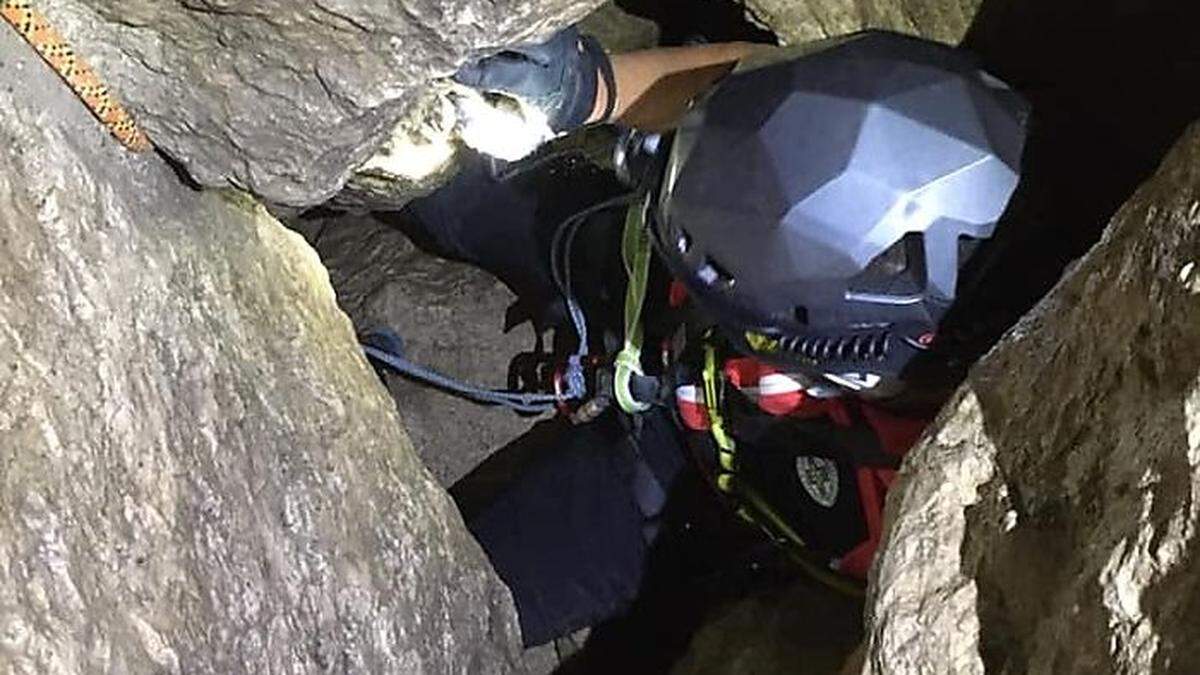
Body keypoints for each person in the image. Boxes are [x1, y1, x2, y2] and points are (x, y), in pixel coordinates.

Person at [372, 26, 1029, 650]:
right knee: (420, 158)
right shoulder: (984, 157)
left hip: (678, 483)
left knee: (426, 612)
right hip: (641, 278)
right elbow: (760, 85)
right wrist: (588, 85)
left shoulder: (952, 514)